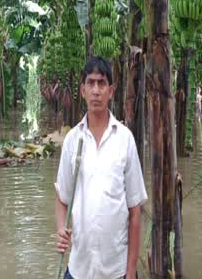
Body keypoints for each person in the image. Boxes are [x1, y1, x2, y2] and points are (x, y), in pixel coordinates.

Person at [54, 56, 147, 279]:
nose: (96, 91)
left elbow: (135, 211)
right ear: (83, 90)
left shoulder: (124, 140)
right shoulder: (72, 140)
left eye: (102, 83)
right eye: (91, 83)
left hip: (116, 270)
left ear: (111, 91)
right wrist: (60, 228)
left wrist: (131, 271)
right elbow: (61, 198)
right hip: (79, 269)